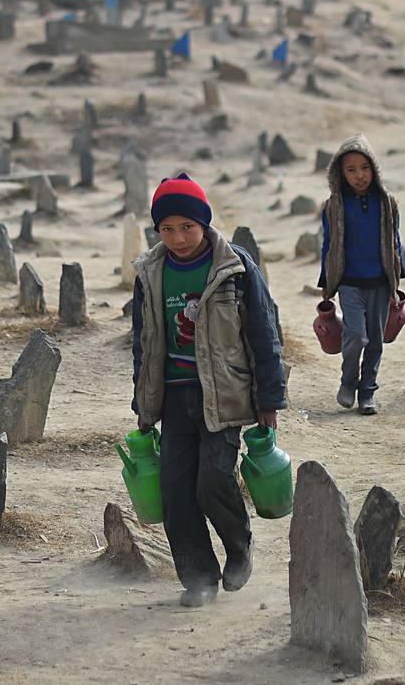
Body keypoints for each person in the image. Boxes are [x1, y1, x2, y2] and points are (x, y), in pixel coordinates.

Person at [131, 174, 286, 607]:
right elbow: (143, 341)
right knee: (175, 491)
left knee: (213, 481)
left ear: (204, 223)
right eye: (167, 228)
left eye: (187, 227)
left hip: (224, 394)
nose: (178, 238)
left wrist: (269, 400)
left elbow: (264, 334)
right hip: (175, 398)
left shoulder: (233, 267)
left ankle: (239, 547)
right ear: (157, 230)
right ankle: (198, 577)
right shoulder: (151, 272)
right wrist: (144, 405)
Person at [319, 134, 405, 416]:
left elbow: (395, 240)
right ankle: (348, 381)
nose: (359, 175)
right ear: (340, 174)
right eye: (351, 169)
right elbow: (329, 244)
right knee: (356, 335)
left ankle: (368, 391)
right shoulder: (334, 206)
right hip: (349, 282)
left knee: (376, 341)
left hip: (380, 281)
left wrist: (397, 276)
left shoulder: (387, 202)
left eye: (365, 168)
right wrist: (327, 281)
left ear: (374, 169)